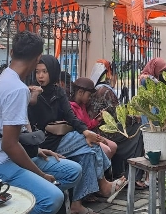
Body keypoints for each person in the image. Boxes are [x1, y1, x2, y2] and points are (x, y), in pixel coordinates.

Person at [0, 31, 82, 214]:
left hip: (8, 157)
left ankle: (28, 194)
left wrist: (36, 150)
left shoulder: (3, 76)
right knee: (53, 198)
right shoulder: (17, 89)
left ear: (11, 53)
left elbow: (8, 135)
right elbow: (9, 145)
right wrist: (41, 176)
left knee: (73, 171)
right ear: (38, 57)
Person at [28, 55, 127, 213]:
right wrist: (33, 96)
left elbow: (70, 117)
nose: (40, 76)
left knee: (87, 153)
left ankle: (76, 204)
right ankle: (103, 185)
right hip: (44, 144)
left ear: (52, 72)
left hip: (60, 139)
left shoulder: (58, 92)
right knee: (91, 142)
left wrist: (85, 130)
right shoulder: (30, 92)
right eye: (38, 72)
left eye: (45, 72)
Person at [87, 60, 147, 190]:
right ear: (110, 75)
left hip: (95, 129)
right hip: (105, 132)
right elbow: (119, 116)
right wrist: (135, 119)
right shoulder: (106, 91)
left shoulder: (94, 89)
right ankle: (133, 176)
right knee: (139, 130)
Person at [69, 77, 118, 159]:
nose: (90, 98)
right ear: (80, 92)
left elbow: (87, 124)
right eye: (89, 95)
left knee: (113, 146)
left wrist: (97, 120)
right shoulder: (70, 108)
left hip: (87, 134)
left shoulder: (82, 106)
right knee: (107, 150)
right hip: (80, 138)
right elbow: (77, 129)